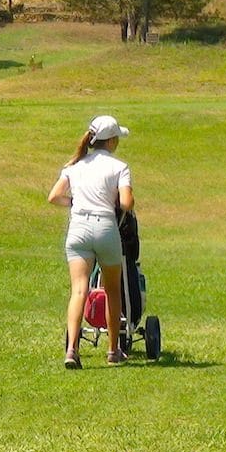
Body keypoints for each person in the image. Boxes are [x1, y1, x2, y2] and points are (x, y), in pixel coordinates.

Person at [47, 115, 134, 369]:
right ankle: (113, 351)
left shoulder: (75, 166)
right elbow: (126, 203)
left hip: (78, 229)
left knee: (78, 290)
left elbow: (54, 196)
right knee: (112, 290)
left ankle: (72, 349)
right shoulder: (119, 167)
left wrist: (75, 202)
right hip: (105, 227)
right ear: (112, 141)